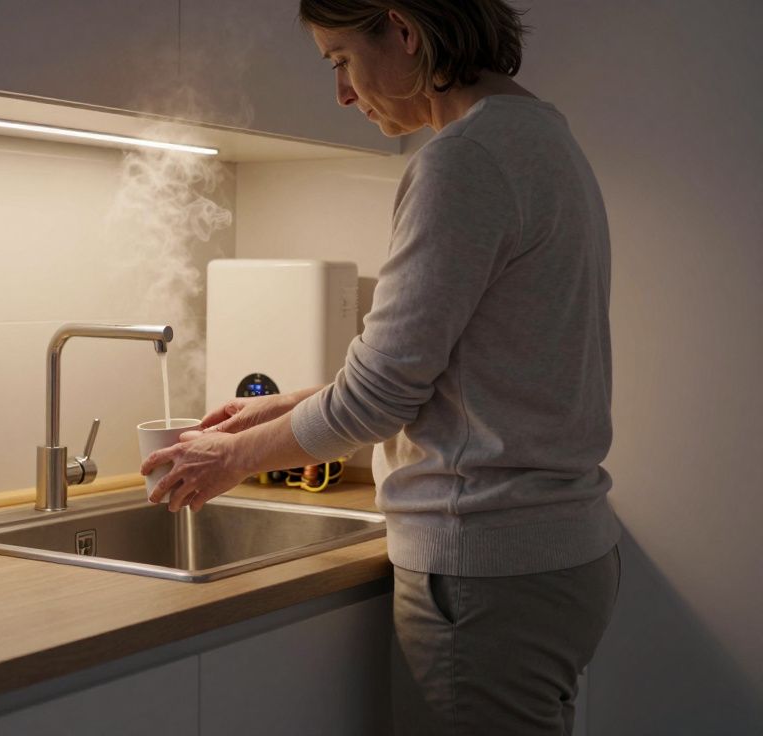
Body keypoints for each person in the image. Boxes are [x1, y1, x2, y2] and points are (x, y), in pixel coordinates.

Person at [140, 1, 621, 733]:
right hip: (556, 557)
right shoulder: (541, 137)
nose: (341, 93)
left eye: (341, 60)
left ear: (403, 30)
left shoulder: (464, 160)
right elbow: (453, 370)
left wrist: (230, 457)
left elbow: (378, 398)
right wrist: (277, 409)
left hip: (485, 568)